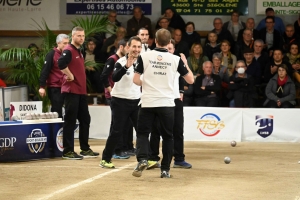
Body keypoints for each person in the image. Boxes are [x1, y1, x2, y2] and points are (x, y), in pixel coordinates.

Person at [132, 29, 194, 178]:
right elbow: (191, 80)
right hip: (167, 103)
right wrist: (185, 64)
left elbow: (135, 80)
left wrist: (147, 83)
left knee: (142, 133)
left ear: (155, 40)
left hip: (147, 102)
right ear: (169, 42)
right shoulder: (175, 59)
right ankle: (165, 170)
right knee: (168, 137)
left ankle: (142, 159)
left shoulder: (144, 56)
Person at [148, 39, 192, 170]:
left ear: (174, 50)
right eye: (166, 49)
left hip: (175, 100)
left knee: (178, 130)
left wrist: (185, 63)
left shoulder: (176, 61)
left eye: (171, 49)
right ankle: (153, 158)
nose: (168, 51)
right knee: (156, 130)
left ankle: (179, 158)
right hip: (159, 99)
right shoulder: (157, 63)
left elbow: (187, 78)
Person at [99, 36, 142, 169]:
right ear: (128, 47)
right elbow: (115, 77)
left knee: (142, 131)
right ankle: (106, 159)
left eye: (139, 47)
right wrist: (126, 66)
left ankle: (145, 159)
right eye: (134, 46)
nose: (136, 49)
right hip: (120, 101)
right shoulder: (120, 61)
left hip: (137, 102)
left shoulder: (143, 62)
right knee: (116, 131)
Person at [58, 26, 99, 159]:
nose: (81, 38)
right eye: (79, 36)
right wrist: (70, 75)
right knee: (70, 120)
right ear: (72, 36)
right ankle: (68, 151)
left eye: (83, 36)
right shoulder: (69, 50)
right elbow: (61, 63)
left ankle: (85, 148)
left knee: (85, 119)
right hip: (71, 91)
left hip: (80, 91)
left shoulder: (79, 50)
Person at [39, 34, 69, 118]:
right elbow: (45, 70)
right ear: (58, 43)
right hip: (55, 87)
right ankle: (56, 130)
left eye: (68, 43)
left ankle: (65, 130)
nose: (66, 45)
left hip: (66, 86)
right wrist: (42, 86)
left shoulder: (67, 54)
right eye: (64, 43)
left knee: (69, 110)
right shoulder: (51, 54)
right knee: (57, 110)